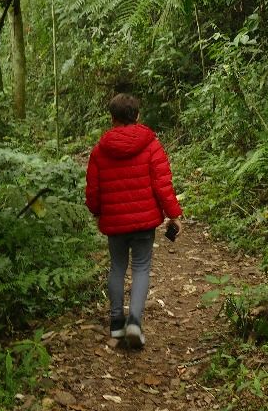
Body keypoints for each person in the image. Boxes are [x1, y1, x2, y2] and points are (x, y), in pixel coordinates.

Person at [85, 93, 182, 348]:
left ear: (112, 118)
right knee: (140, 267)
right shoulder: (151, 145)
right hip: (144, 223)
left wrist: (97, 213)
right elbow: (162, 185)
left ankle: (116, 324)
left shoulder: (99, 150)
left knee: (117, 267)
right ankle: (135, 323)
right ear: (137, 116)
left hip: (115, 223)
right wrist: (173, 214)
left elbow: (93, 190)